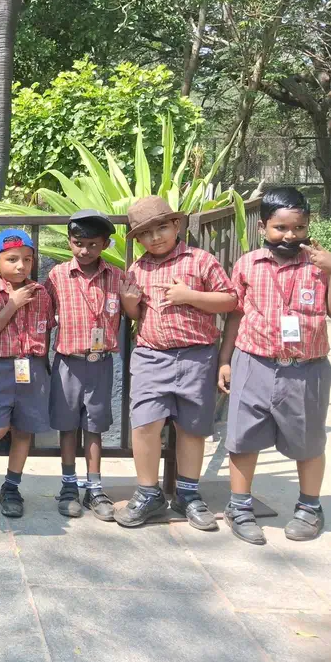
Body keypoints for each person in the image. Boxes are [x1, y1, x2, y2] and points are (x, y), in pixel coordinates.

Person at [117, 195, 237, 529]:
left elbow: (229, 300)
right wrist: (129, 305)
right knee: (145, 424)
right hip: (151, 356)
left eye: (161, 228)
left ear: (176, 225)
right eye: (145, 233)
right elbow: (138, 315)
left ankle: (187, 493)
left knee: (191, 427)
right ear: (138, 239)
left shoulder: (201, 261)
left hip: (197, 356)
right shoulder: (138, 268)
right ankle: (148, 493)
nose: (155, 237)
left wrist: (191, 297)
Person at [218, 187, 329, 544]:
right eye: (280, 228)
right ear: (264, 226)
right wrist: (226, 359)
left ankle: (310, 507)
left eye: (297, 228)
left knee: (309, 440)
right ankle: (239, 505)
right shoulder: (248, 264)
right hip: (254, 361)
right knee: (243, 436)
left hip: (306, 366)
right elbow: (235, 314)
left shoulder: (320, 264)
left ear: (307, 225)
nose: (290, 236)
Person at [45, 210, 124, 521]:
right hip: (67, 363)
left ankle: (94, 487)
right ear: (69, 242)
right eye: (78, 243)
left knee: (95, 426)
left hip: (100, 363)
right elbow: (44, 313)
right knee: (67, 425)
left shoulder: (117, 277)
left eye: (92, 244)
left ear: (104, 244)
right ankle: (68, 486)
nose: (84, 251)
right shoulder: (57, 276)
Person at [0, 229, 54, 519]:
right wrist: (13, 304)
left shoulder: (43, 293)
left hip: (32, 368)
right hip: (0, 367)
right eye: (13, 259)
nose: (21, 265)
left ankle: (11, 486)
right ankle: (1, 436)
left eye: (27, 260)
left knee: (25, 431)